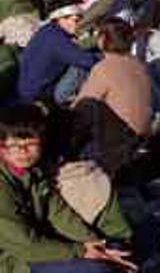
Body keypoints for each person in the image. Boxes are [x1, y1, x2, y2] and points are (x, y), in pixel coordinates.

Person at [0, 104, 134, 273]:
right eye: (14, 145)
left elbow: (58, 212)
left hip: (37, 245)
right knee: (94, 269)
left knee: (117, 254)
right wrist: (81, 251)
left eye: (30, 143)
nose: (23, 151)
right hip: (13, 259)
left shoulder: (35, 171)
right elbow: (25, 245)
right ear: (1, 146)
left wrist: (95, 244)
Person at [70, 18, 152, 175]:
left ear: (103, 40)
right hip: (140, 138)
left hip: (116, 143)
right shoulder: (139, 65)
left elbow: (80, 107)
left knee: (85, 109)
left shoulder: (104, 68)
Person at [16, 2, 98, 104]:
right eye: (75, 20)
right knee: (80, 67)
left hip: (28, 91)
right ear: (61, 19)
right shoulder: (57, 40)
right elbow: (88, 61)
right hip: (41, 96)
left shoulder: (48, 30)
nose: (78, 24)